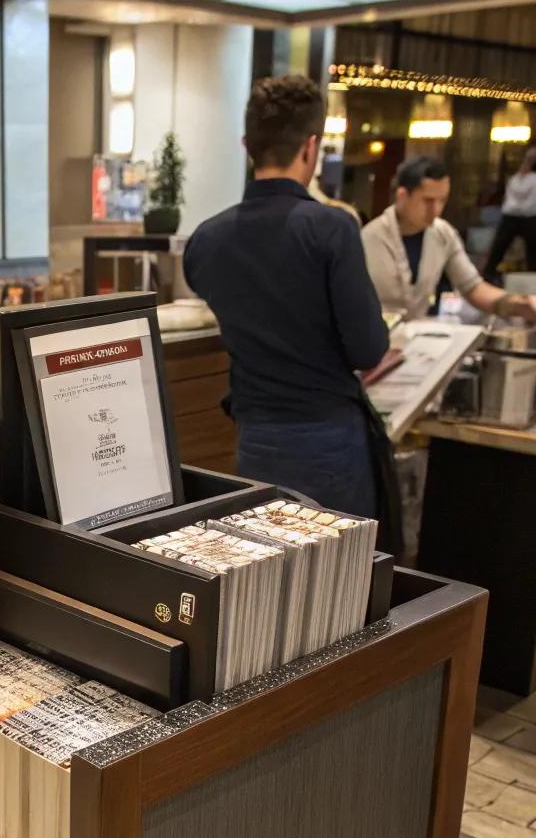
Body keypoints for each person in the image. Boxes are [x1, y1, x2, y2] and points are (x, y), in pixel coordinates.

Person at [183, 75, 390, 523]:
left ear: (247, 145)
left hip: (255, 438)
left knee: (267, 569)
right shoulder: (332, 229)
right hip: (328, 439)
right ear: (311, 148)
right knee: (337, 581)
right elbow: (369, 348)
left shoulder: (206, 241)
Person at [362, 157, 536, 324]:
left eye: (442, 200)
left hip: (417, 338)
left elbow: (473, 287)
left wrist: (520, 305)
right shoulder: (367, 239)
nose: (435, 209)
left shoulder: (443, 233)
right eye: (427, 201)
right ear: (402, 196)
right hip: (373, 341)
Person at [484, 147, 536, 283]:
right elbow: (511, 198)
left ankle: (532, 275)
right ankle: (488, 274)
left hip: (529, 217)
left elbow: (529, 201)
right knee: (499, 245)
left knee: (533, 248)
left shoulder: (534, 180)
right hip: (511, 216)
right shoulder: (514, 179)